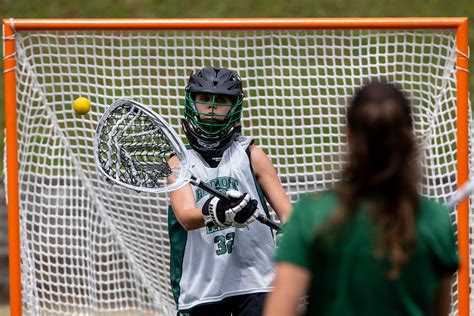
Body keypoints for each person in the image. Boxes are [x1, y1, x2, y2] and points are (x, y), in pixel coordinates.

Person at [264, 81, 459, 316]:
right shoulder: (436, 220)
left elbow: (279, 311)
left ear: (348, 134)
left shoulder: (311, 215)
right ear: (408, 138)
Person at [167, 66, 292, 315]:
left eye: (221, 101)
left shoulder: (251, 156)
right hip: (202, 286)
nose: (212, 108)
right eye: (204, 99)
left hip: (257, 280)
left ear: (234, 106)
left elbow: (288, 215)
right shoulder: (178, 162)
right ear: (191, 103)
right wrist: (218, 211)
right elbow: (185, 216)